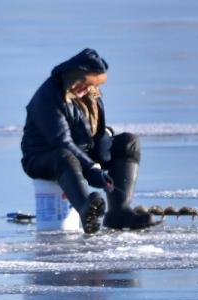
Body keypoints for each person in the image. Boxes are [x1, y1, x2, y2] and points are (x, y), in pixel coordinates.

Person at [21, 48, 156, 233]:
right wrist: (91, 167)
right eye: (84, 84)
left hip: (82, 151)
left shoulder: (89, 93)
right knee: (65, 156)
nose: (86, 89)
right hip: (42, 157)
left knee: (128, 142)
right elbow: (61, 141)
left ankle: (119, 212)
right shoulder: (48, 98)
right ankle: (87, 209)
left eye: (91, 85)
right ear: (74, 77)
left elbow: (94, 127)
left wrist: (105, 138)